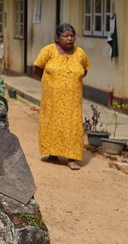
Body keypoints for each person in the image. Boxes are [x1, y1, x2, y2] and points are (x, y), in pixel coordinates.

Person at [33, 23, 91, 170]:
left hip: (72, 99)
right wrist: (51, 83)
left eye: (72, 36)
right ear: (57, 38)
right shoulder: (48, 51)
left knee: (73, 125)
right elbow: (37, 68)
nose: (69, 39)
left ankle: (72, 158)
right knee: (52, 122)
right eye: (66, 36)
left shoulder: (80, 53)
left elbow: (84, 71)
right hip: (52, 97)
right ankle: (53, 154)